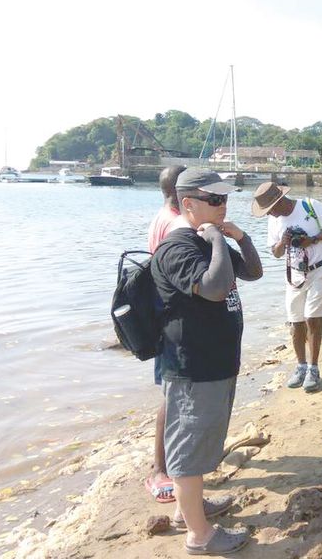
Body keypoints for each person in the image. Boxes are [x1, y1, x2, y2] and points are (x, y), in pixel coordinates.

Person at [152, 168, 263, 555]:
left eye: (224, 199)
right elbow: (215, 288)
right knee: (187, 450)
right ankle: (199, 536)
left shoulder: (207, 242)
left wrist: (239, 236)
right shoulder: (178, 248)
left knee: (201, 444)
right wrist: (216, 236)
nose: (222, 206)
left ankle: (191, 509)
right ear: (188, 204)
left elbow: (252, 271)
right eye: (213, 200)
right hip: (193, 367)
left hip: (216, 364)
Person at [252, 182, 322, 393]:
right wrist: (284, 241)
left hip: (319, 270)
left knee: (312, 318)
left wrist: (313, 239)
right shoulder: (274, 221)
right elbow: (276, 252)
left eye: (270, 209)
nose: (269, 214)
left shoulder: (309, 205)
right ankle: (301, 366)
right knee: (295, 322)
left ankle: (314, 368)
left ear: (279, 201)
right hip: (294, 274)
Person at [145, 164, 186, 503]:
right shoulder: (175, 224)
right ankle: (160, 468)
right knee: (173, 395)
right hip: (173, 320)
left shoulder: (161, 216)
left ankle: (173, 461)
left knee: (174, 392)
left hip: (164, 315)